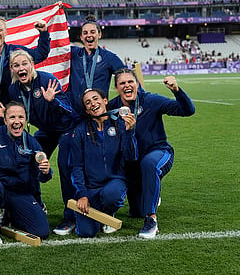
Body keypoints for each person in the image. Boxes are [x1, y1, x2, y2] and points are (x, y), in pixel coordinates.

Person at [53, 15, 125, 236]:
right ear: (81, 37)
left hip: (100, 119)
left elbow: (124, 78)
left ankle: (108, 206)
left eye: (93, 32)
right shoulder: (73, 54)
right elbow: (54, 49)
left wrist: (127, 105)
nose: (89, 35)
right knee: (65, 165)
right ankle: (71, 213)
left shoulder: (110, 57)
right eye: (85, 33)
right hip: (75, 119)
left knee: (106, 162)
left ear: (99, 34)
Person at [109, 68, 195, 239]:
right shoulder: (112, 107)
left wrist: (176, 91)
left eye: (130, 82)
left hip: (158, 152)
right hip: (132, 162)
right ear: (117, 88)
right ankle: (150, 195)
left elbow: (187, 110)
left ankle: (151, 221)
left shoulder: (151, 100)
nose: (127, 86)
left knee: (149, 165)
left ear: (137, 84)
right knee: (136, 211)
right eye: (122, 83)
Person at [0, 49, 76, 215]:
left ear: (32, 65)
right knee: (29, 160)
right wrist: (7, 115)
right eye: (16, 65)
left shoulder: (47, 80)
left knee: (64, 165)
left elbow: (69, 111)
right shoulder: (14, 89)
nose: (21, 67)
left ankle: (71, 214)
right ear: (12, 69)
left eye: (24, 63)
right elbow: (19, 114)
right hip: (45, 131)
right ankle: (36, 202)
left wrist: (53, 101)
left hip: (66, 128)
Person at [0, 15, 50, 168]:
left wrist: (44, 33)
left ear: (6, 32)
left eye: (0, 29)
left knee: (9, 155)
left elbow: (40, 54)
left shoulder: (15, 52)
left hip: (9, 114)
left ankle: (8, 189)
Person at [0, 101, 52, 245]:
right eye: (12, 117)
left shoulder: (32, 143)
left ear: (26, 119)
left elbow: (43, 177)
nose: (16, 122)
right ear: (5, 120)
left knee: (42, 232)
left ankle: (11, 215)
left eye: (20, 117)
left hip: (20, 193)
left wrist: (46, 171)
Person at [70, 88, 137, 237]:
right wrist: (82, 195)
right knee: (86, 232)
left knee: (111, 195)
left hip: (114, 182)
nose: (93, 103)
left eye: (95, 99)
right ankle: (93, 215)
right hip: (91, 188)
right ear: (86, 110)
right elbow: (76, 166)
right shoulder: (80, 131)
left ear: (105, 100)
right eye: (88, 102)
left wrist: (129, 133)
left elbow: (130, 157)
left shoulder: (120, 124)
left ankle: (108, 212)